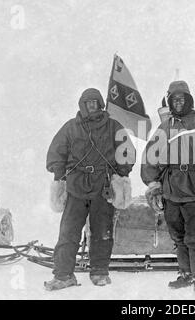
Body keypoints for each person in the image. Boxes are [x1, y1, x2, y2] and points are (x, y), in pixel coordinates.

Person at [141, 80, 195, 296]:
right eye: (174, 99)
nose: (178, 103)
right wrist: (154, 186)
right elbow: (150, 158)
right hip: (171, 190)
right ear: (169, 102)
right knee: (178, 236)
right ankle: (185, 274)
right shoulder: (163, 128)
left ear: (188, 99)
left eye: (182, 98)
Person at [44, 88, 135, 291]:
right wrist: (59, 174)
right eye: (88, 102)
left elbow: (127, 152)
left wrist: (121, 173)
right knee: (68, 232)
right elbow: (56, 152)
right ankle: (63, 275)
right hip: (76, 187)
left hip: (102, 187)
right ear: (82, 105)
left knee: (102, 232)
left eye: (95, 102)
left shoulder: (113, 126)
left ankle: (99, 272)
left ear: (101, 104)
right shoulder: (71, 127)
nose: (92, 105)